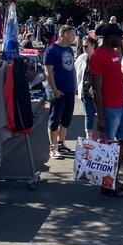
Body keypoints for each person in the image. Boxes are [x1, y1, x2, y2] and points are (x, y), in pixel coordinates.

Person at [90, 23, 123, 197]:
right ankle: (106, 184)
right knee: (107, 148)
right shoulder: (98, 56)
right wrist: (100, 116)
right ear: (110, 37)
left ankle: (113, 177)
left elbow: (116, 77)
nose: (122, 39)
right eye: (119, 36)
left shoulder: (114, 53)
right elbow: (96, 89)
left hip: (119, 105)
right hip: (108, 108)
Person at [44, 24, 76, 159]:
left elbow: (72, 68)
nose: (74, 37)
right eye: (72, 35)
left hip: (69, 89)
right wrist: (54, 89)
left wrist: (74, 85)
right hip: (57, 90)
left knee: (66, 119)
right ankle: (53, 147)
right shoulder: (51, 50)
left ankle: (61, 144)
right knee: (54, 119)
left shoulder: (69, 49)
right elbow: (48, 71)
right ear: (63, 34)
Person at [75, 35, 97, 138]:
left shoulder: (99, 57)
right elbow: (76, 72)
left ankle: (104, 138)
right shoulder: (81, 58)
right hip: (85, 91)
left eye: (86, 46)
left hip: (98, 91)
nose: (84, 48)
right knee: (89, 114)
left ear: (93, 45)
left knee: (102, 114)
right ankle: (89, 138)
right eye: (82, 46)